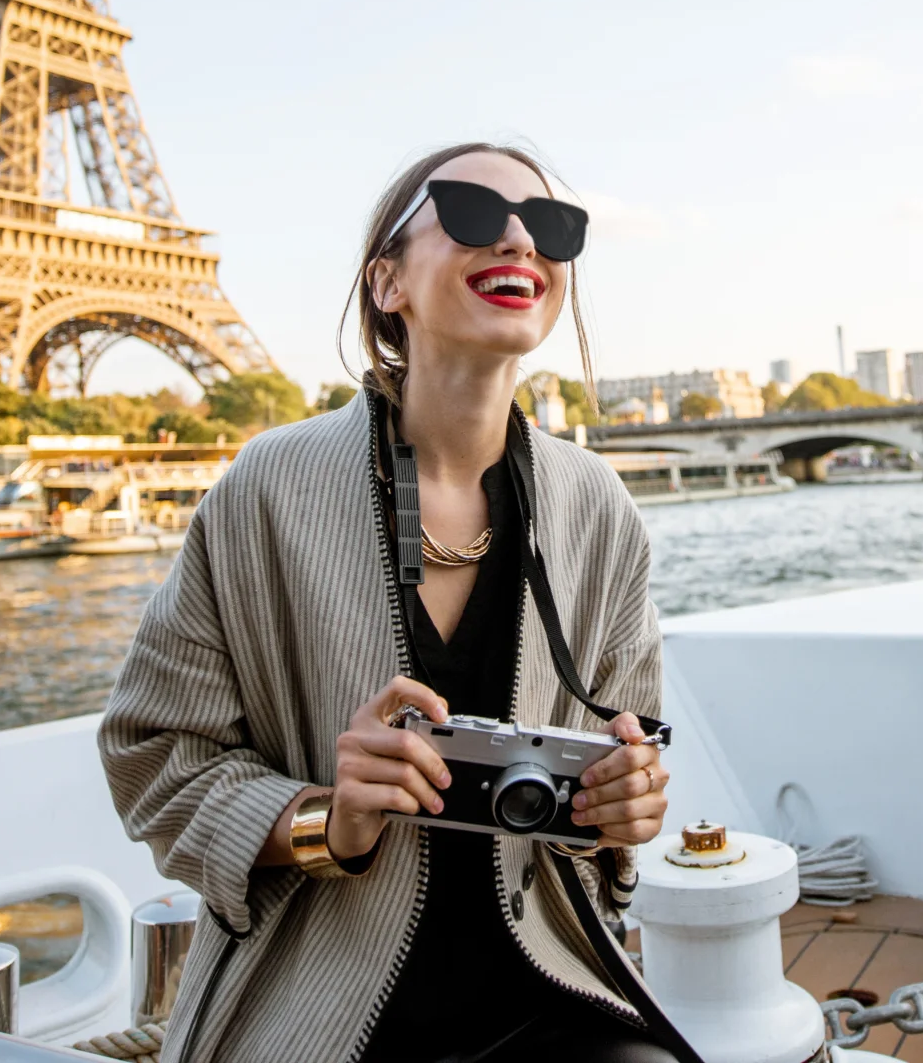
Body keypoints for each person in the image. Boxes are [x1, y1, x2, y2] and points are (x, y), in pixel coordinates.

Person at [101, 143, 682, 1063]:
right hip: (311, 1000)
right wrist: (326, 819)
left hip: (550, 981)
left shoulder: (597, 505)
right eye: (473, 213)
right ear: (386, 282)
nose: (522, 239)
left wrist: (622, 805)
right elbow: (152, 752)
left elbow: (626, 751)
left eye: (552, 226)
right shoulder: (268, 485)